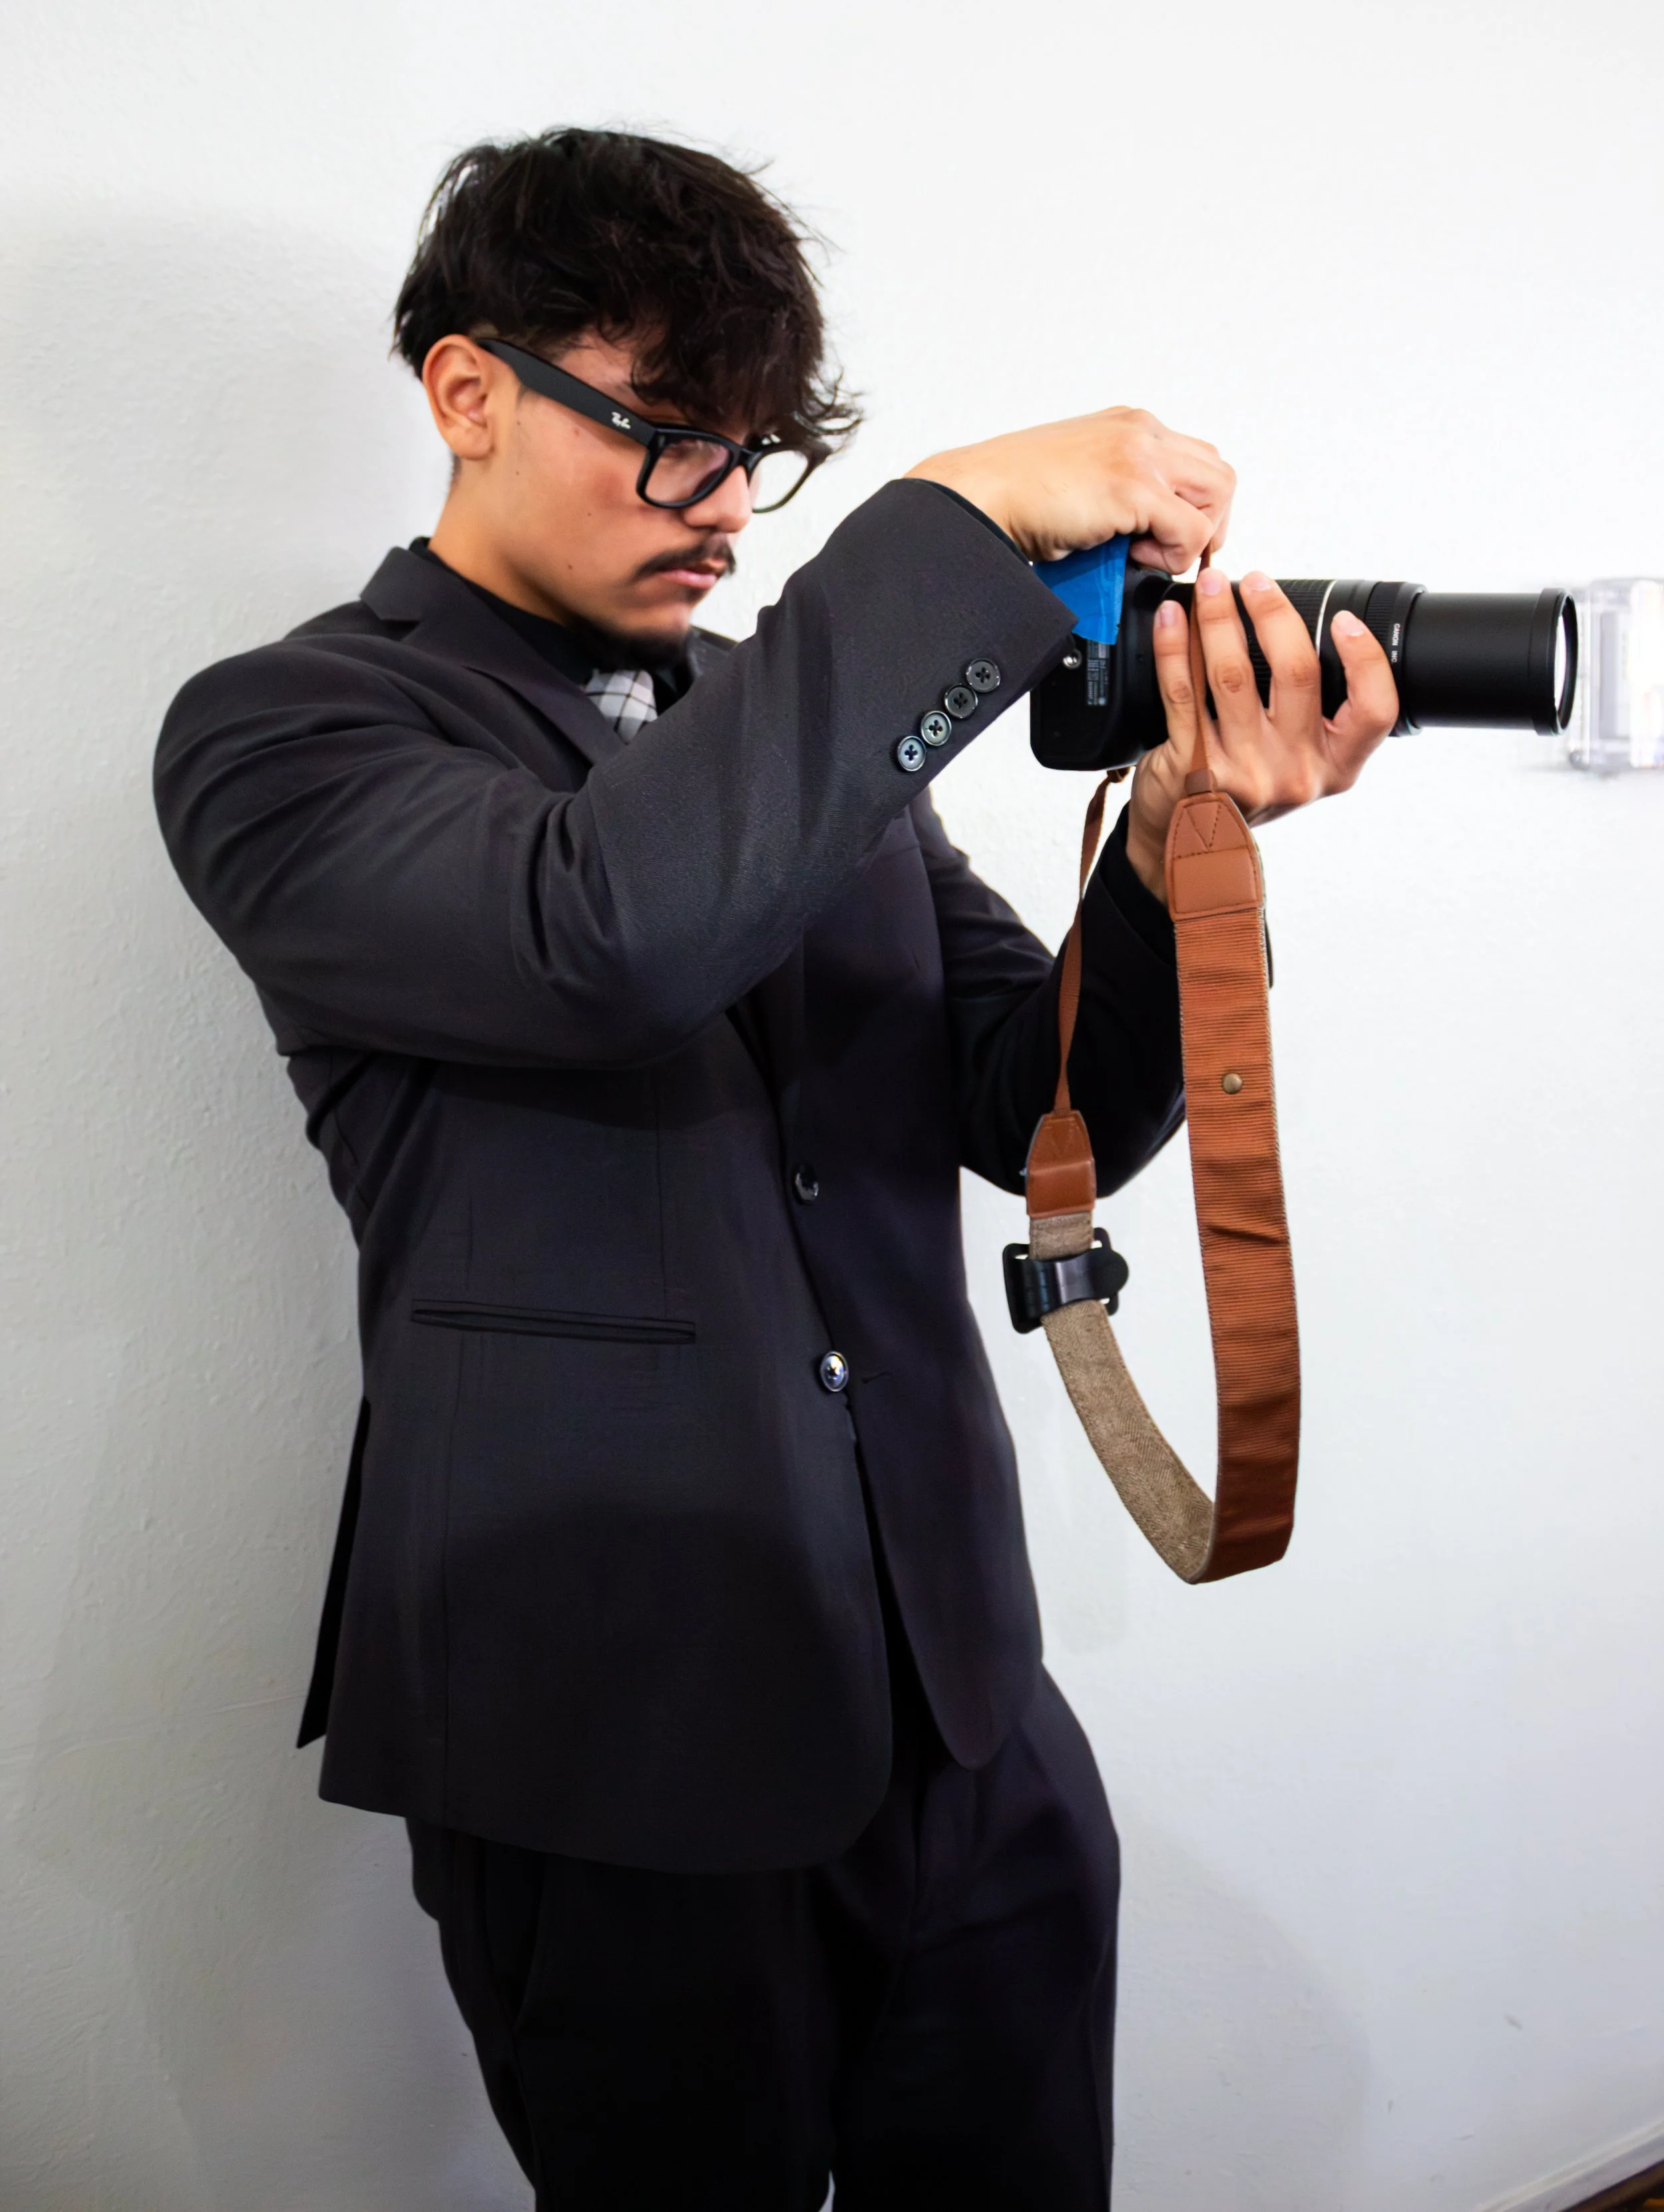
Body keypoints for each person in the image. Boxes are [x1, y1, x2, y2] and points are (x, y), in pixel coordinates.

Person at [153, 127, 1395, 2209]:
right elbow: (604, 932)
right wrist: (954, 527)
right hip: (611, 1740)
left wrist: (1185, 826)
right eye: (669, 438)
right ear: (466, 392)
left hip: (961, 1706)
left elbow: (1030, 1102)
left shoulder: (803, 728)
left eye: (758, 455)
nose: (726, 507)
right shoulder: (283, 732)